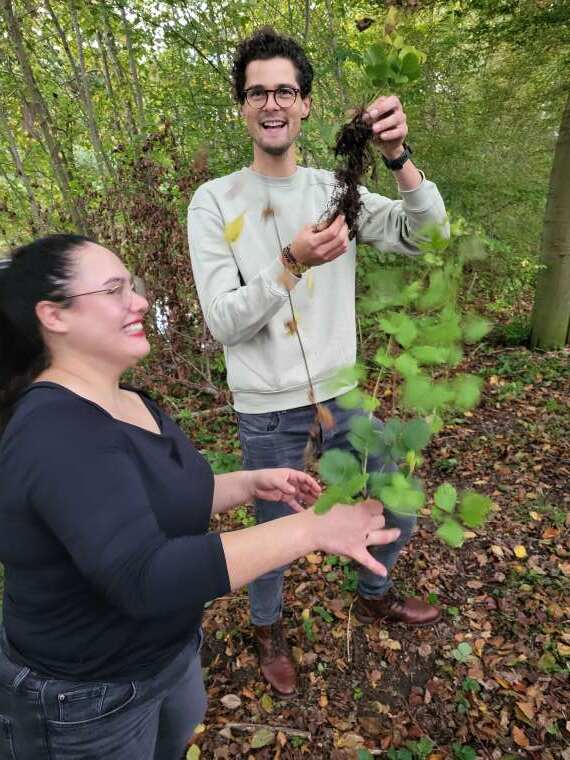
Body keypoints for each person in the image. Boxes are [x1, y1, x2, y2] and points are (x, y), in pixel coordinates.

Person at [0, 234, 400, 759]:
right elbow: (145, 576)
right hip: (86, 698)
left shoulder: (125, 400)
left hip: (168, 657)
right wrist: (312, 529)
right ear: (54, 316)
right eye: (114, 289)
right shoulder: (55, 433)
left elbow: (152, 500)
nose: (139, 301)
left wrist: (246, 484)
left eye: (133, 286)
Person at [187, 27, 449, 697]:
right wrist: (290, 264)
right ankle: (269, 627)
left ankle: (374, 589)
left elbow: (429, 235)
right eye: (256, 92)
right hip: (264, 407)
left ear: (304, 104)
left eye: (284, 90)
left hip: (343, 395)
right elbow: (222, 321)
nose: (270, 103)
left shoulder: (338, 188)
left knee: (396, 504)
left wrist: (397, 155)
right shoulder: (215, 202)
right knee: (272, 536)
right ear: (241, 107)